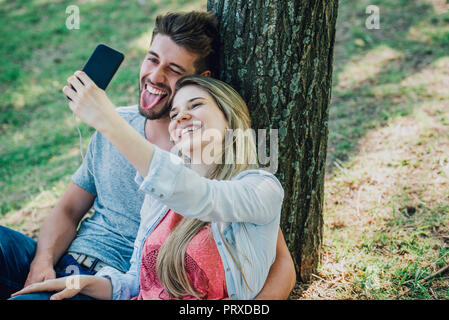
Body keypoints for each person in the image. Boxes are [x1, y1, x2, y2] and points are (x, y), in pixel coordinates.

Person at [1, 11, 295, 300]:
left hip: (114, 283)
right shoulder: (123, 131)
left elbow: (275, 256)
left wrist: (107, 121)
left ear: (203, 81)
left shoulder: (221, 171)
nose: (155, 76)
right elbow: (68, 210)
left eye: (174, 70)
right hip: (79, 270)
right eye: (153, 59)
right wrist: (43, 262)